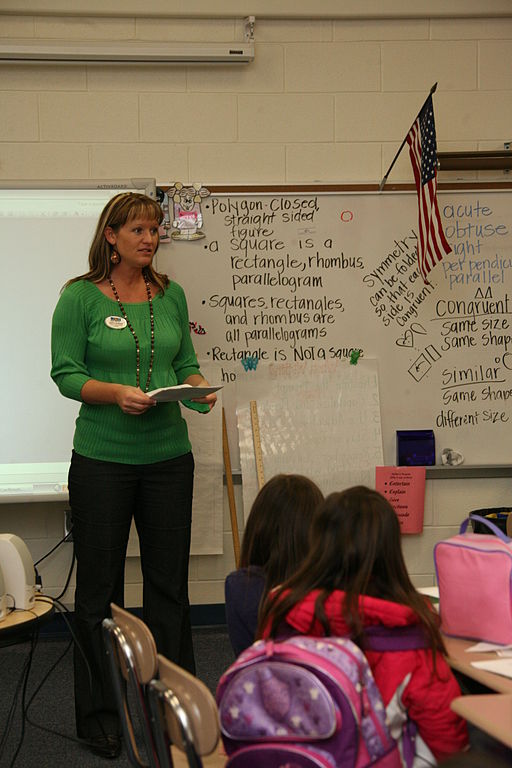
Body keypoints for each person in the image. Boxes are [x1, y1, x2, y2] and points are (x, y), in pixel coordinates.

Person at [51, 192, 217, 759]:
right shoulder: (79, 298)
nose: (150, 238)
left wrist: (197, 390)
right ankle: (99, 713)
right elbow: (66, 374)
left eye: (155, 229)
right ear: (111, 237)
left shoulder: (170, 295)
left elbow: (183, 361)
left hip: (169, 459)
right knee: (99, 593)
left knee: (169, 589)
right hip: (102, 461)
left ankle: (174, 707)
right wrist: (116, 394)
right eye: (139, 229)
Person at [258, 486, 469, 764]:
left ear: (318, 543)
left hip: (290, 756)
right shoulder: (410, 627)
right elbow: (445, 734)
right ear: (390, 550)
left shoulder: (282, 609)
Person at [224, 473, 323, 657]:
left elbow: (245, 656)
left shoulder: (238, 586)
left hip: (259, 681)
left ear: (258, 526)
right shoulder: (330, 590)